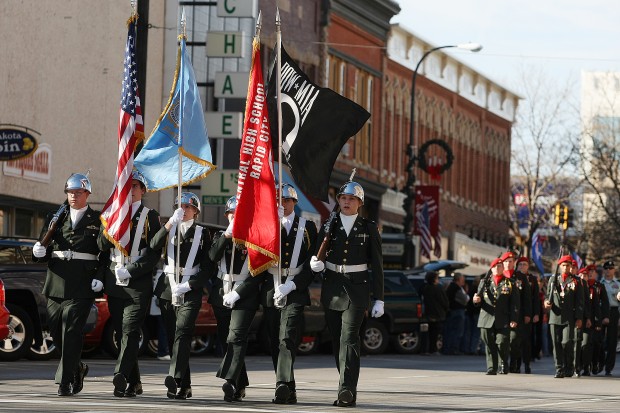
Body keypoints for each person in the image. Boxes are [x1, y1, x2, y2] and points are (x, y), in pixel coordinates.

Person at [309, 180, 384, 408]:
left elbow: (378, 266)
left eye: (351, 199)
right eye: (343, 198)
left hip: (357, 289)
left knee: (349, 338)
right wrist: (315, 264)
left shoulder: (368, 227)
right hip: (333, 286)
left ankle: (347, 390)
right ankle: (345, 382)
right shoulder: (329, 224)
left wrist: (379, 298)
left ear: (359, 203)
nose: (346, 202)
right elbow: (317, 253)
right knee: (337, 340)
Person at [32, 173, 103, 396]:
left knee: (72, 330)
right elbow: (44, 245)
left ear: (87, 194)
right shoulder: (56, 217)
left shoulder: (98, 219)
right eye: (70, 192)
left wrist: (99, 276)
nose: (73, 196)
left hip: (81, 284)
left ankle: (64, 381)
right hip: (56, 281)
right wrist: (38, 252)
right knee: (56, 332)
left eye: (78, 192)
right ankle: (77, 367)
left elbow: (104, 253)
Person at [98, 170, 162, 397]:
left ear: (143, 190)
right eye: (128, 186)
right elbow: (102, 246)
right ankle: (135, 382)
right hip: (115, 279)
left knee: (131, 329)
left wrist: (132, 271)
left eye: (135, 186)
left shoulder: (150, 215)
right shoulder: (113, 213)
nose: (131, 189)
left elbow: (154, 253)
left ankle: (121, 375)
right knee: (121, 330)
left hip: (138, 282)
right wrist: (110, 222)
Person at [257, 184, 317, 404]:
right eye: (278, 200)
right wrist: (274, 225)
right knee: (275, 340)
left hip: (295, 288)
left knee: (287, 337)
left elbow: (311, 264)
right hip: (272, 286)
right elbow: (259, 256)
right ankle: (288, 387)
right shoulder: (266, 225)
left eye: (287, 200)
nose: (282, 203)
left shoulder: (307, 227)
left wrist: (293, 285)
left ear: (294, 202)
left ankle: (281, 385)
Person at [151, 192, 212, 399]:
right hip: (168, 289)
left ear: (196, 211)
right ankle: (185, 386)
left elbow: (207, 268)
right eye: (180, 206)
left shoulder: (203, 233)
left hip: (190, 290)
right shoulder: (170, 228)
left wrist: (190, 285)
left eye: (188, 207)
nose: (184, 210)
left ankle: (175, 377)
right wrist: (169, 224)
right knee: (172, 336)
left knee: (183, 332)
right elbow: (153, 244)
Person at [209, 195, 251, 402]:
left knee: (236, 338)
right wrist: (226, 236)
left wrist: (239, 292)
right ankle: (240, 383)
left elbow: (257, 272)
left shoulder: (253, 237)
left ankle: (230, 381)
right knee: (227, 340)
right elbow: (212, 257)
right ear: (226, 215)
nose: (234, 217)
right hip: (221, 293)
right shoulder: (220, 235)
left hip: (244, 295)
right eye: (231, 214)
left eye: (238, 214)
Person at [473, 258, 519, 375]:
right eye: (495, 267)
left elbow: (515, 303)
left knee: (502, 342)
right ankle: (491, 367)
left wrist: (514, 318)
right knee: (489, 343)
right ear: (491, 269)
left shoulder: (510, 283)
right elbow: (478, 300)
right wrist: (476, 300)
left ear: (503, 268)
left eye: (499, 266)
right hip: (486, 317)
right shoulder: (484, 283)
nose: (497, 268)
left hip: (503, 318)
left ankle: (503, 363)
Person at [544, 255, 584, 378]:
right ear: (560, 267)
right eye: (563, 265)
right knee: (556, 344)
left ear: (571, 267)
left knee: (566, 342)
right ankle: (559, 368)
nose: (566, 267)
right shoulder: (553, 279)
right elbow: (548, 296)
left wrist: (579, 318)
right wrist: (546, 302)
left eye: (568, 265)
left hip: (569, 317)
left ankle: (569, 367)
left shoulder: (576, 280)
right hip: (555, 316)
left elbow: (579, 301)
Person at [579, 265, 602, 376]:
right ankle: (577, 366)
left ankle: (587, 367)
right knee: (578, 345)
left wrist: (598, 322)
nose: (583, 277)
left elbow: (597, 307)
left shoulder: (592, 289)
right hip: (577, 320)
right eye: (581, 275)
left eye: (586, 275)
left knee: (587, 344)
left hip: (590, 321)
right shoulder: (574, 287)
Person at [419, 271, 449, 355]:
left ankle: (425, 349)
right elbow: (444, 302)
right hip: (437, 314)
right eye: (437, 278)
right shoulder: (438, 289)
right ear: (434, 279)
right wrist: (446, 309)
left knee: (427, 333)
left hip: (427, 314)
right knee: (435, 333)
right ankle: (433, 349)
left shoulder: (424, 288)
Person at [599, 260, 620, 376]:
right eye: (606, 268)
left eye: (610, 268)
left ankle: (609, 367)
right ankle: (600, 362)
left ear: (614, 270)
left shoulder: (618, 284)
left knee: (612, 341)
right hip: (601, 312)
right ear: (603, 270)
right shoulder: (599, 283)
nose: (608, 270)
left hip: (613, 311)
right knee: (599, 340)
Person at [443, 273, 469, 355]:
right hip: (458, 311)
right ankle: (454, 349)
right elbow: (465, 299)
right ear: (458, 280)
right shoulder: (456, 288)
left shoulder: (450, 287)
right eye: (462, 280)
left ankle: (447, 348)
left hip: (451, 311)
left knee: (450, 331)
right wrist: (466, 293)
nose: (463, 282)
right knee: (457, 331)